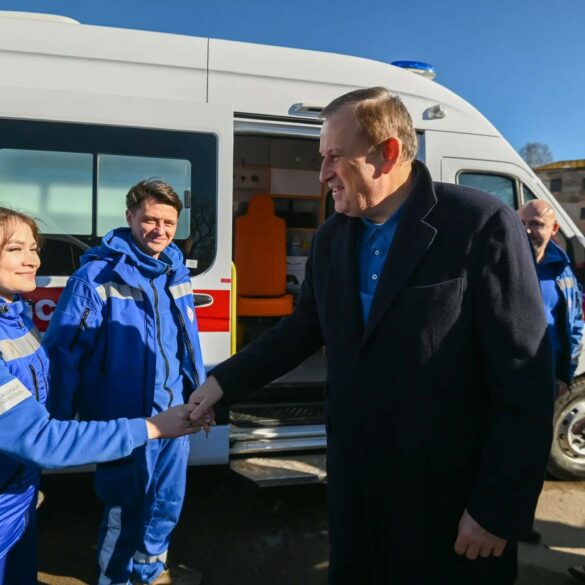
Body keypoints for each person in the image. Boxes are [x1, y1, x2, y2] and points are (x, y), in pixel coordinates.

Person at [188, 87, 554, 584]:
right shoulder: (331, 238)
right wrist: (221, 383)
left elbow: (523, 379)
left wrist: (496, 509)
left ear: (388, 153)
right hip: (355, 497)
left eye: (334, 156)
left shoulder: (479, 223)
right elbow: (301, 330)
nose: (322, 174)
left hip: (448, 507)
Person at [0, 206, 201, 585]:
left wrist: (198, 396)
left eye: (33, 248)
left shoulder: (16, 315)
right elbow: (42, 431)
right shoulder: (94, 277)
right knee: (125, 512)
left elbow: (187, 342)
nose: (32, 261)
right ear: (130, 217)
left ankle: (148, 573)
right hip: (124, 427)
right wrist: (140, 425)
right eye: (15, 249)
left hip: (20, 494)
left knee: (164, 506)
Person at [518, 200, 583, 398]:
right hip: (502, 383)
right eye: (522, 223)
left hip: (546, 383)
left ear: (554, 228)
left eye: (536, 224)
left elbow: (575, 325)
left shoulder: (563, 272)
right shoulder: (498, 265)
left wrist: (565, 375)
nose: (527, 230)